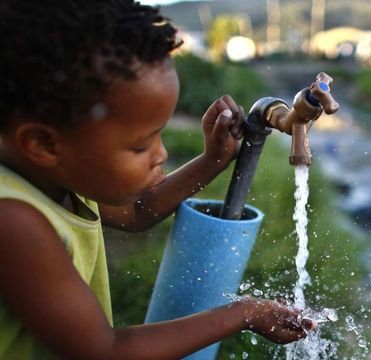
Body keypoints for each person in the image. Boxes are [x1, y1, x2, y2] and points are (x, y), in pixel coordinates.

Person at [0, 0, 316, 358]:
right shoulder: (14, 221)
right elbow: (104, 350)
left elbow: (139, 211)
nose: (161, 154)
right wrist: (243, 313)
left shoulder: (57, 177)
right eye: (140, 145)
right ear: (42, 143)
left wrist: (214, 159)